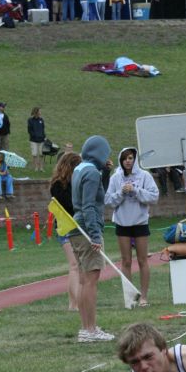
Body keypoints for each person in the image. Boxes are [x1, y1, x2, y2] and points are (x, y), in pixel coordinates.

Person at [69, 135, 114, 343]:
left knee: (85, 280)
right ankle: (90, 329)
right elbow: (89, 205)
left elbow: (97, 195)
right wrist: (95, 235)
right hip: (87, 230)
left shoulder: (80, 169)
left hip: (76, 228)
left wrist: (106, 172)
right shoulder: (91, 172)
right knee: (91, 282)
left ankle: (87, 328)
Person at [105, 147, 159, 308]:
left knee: (142, 260)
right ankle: (129, 298)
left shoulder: (144, 176)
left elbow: (154, 196)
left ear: (135, 160)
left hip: (140, 222)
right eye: (125, 158)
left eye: (130, 158)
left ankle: (144, 297)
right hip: (122, 223)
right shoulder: (116, 178)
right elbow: (108, 200)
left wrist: (136, 190)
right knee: (126, 261)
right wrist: (121, 193)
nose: (128, 161)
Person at [50, 151, 82, 311]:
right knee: (74, 264)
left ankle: (76, 302)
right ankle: (74, 303)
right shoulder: (58, 185)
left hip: (78, 227)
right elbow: (70, 204)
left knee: (79, 265)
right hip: (65, 227)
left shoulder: (75, 182)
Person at [27, 107, 45, 172]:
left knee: (41, 154)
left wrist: (44, 136)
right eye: (39, 111)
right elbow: (29, 130)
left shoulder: (41, 120)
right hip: (33, 140)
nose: (40, 112)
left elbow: (43, 129)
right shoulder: (30, 120)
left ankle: (41, 167)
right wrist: (35, 136)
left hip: (41, 140)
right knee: (34, 154)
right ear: (36, 112)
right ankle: (36, 167)